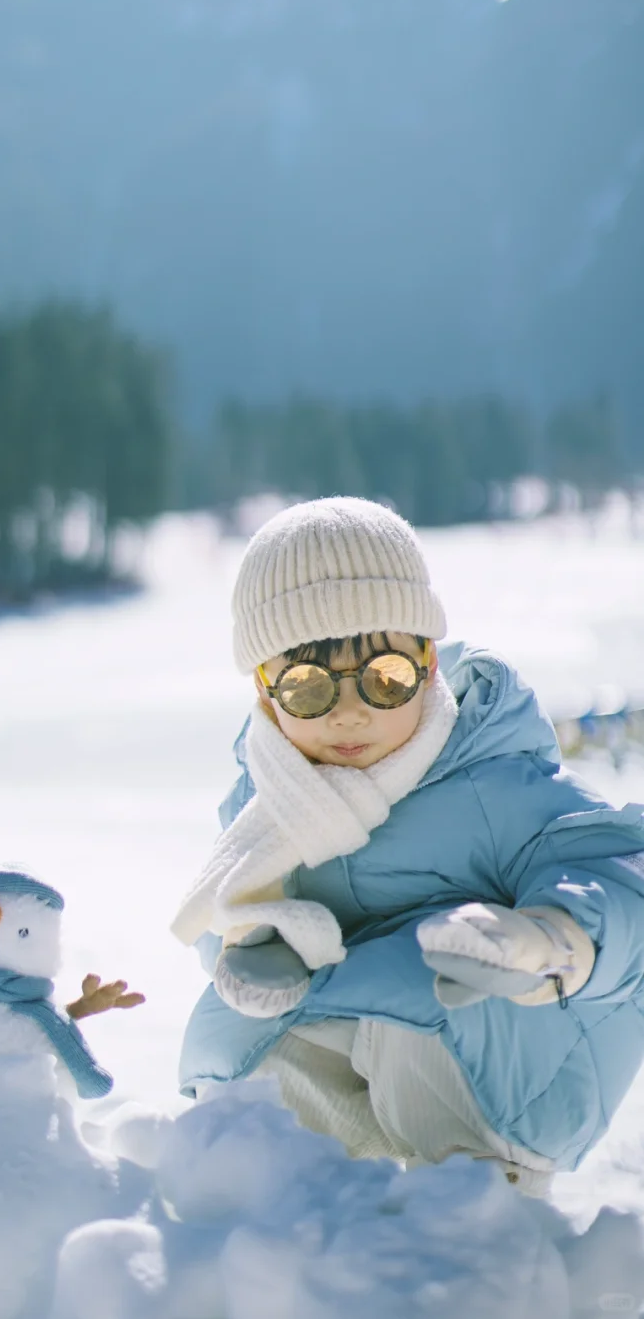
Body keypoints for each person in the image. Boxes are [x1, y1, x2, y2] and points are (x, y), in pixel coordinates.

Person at [174, 496, 644, 1194]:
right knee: (251, 1042)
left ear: (427, 664)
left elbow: (614, 870)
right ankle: (285, 1204)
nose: (350, 711)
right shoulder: (270, 797)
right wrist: (250, 948)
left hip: (514, 1043)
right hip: (365, 1028)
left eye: (384, 678)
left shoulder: (488, 774)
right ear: (266, 694)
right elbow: (238, 906)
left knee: (426, 998)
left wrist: (551, 939)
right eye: (307, 689)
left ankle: (469, 1214)